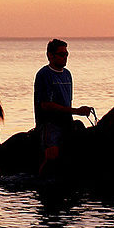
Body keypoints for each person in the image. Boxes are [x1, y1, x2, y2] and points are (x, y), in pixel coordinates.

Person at [34, 39, 92, 174]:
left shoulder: (67, 74)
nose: (65, 57)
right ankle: (42, 176)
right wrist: (76, 111)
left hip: (67, 123)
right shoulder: (44, 74)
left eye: (66, 54)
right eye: (61, 54)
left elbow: (67, 101)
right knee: (53, 154)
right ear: (50, 55)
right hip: (49, 124)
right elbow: (46, 105)